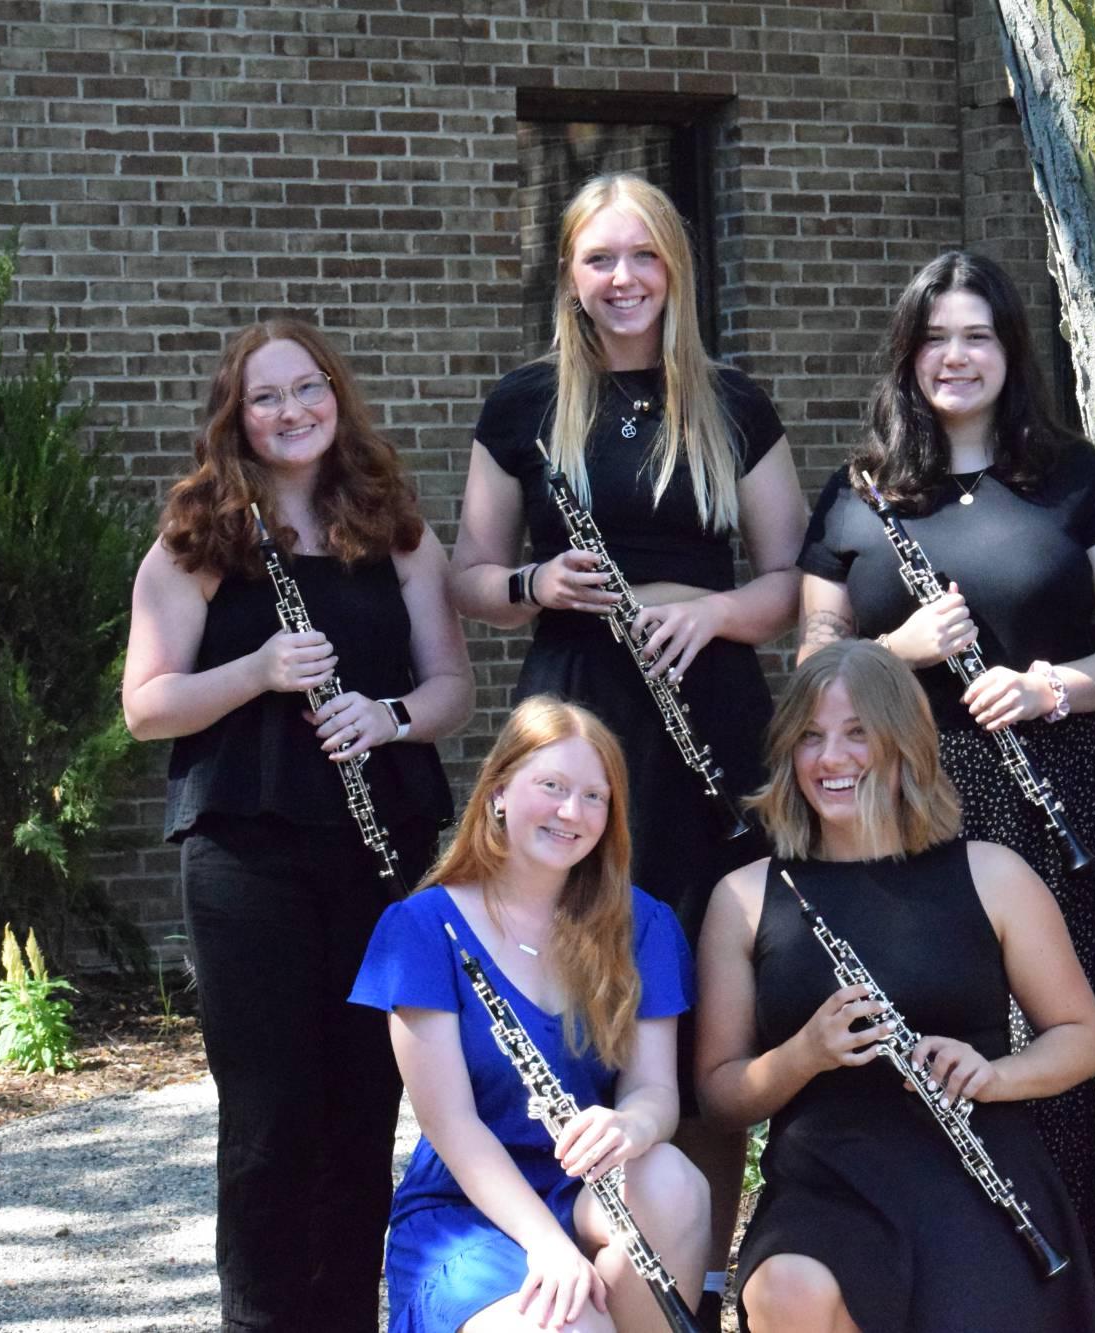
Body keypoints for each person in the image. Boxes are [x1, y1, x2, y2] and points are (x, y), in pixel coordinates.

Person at [449, 171, 808, 1311]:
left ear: (675, 269)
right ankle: (579, 1267)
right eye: (599, 258)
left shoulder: (734, 405)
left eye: (642, 256)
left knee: (705, 1003)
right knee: (579, 986)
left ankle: (691, 1279)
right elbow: (468, 575)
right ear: (569, 273)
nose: (622, 279)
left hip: (708, 725)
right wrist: (534, 579)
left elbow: (794, 584)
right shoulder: (520, 408)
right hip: (575, 726)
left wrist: (709, 611)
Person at [795, 250, 1095, 1312]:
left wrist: (1053, 684)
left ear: (1009, 351)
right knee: (929, 1035)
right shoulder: (857, 492)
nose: (954, 356)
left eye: (977, 336)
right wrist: (900, 650)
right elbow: (810, 666)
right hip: (897, 801)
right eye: (934, 336)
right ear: (906, 354)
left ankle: (1074, 1291)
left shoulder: (1076, 479)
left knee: (1053, 1042)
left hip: (1048, 784)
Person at [122, 318, 473, 1330]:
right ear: (235, 416)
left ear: (335, 393)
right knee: (272, 1116)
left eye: (306, 388)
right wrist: (257, 672)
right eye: (265, 397)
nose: (291, 411)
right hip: (247, 854)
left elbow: (449, 685)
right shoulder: (198, 538)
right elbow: (145, 705)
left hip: (381, 848)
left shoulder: (393, 526)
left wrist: (387, 716)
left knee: (366, 1101)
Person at [695, 640, 1095, 1332]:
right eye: (810, 737)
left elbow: (1083, 1036)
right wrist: (805, 1052)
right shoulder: (743, 897)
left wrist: (992, 1075)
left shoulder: (991, 872)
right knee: (784, 1290)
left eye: (859, 733)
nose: (832, 759)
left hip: (975, 1172)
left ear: (905, 744)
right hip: (827, 1180)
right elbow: (719, 1098)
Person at [349, 696, 708, 1333]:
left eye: (595, 796)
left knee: (674, 1182)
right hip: (470, 1205)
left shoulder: (642, 921)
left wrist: (632, 1125)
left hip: (586, 1183)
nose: (572, 812)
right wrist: (547, 1245)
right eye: (552, 786)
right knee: (568, 1329)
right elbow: (454, 1126)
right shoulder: (421, 928)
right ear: (498, 793)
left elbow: (656, 1090)